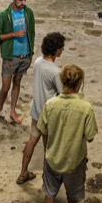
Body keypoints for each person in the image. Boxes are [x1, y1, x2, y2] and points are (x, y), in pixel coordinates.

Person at [37, 64, 98, 203]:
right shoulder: (86, 108)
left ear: (62, 81)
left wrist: (49, 149)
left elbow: (43, 129)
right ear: (79, 84)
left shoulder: (50, 104)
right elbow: (90, 137)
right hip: (74, 160)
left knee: (49, 193)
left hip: (52, 158)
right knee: (73, 190)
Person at [17, 32, 65, 185]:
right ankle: (48, 177)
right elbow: (62, 93)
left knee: (32, 140)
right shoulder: (55, 71)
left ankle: (23, 172)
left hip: (36, 110)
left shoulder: (38, 61)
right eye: (61, 48)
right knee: (49, 146)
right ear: (56, 49)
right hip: (49, 114)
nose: (62, 50)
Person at [0, 0, 35, 125]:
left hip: (25, 56)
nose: (23, 3)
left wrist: (30, 52)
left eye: (25, 0)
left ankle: (13, 111)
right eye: (20, 0)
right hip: (10, 57)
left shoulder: (28, 13)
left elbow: (32, 33)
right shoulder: (3, 16)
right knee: (5, 87)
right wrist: (14, 34)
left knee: (17, 83)